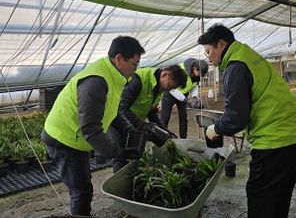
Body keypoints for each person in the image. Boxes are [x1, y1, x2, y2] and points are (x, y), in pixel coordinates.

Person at [198, 24, 296, 218]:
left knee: (260, 195)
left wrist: (214, 129)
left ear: (221, 44)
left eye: (209, 51)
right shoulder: (249, 55)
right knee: (280, 194)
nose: (208, 57)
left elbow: (236, 118)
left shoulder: (235, 66)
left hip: (277, 140)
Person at [41, 36, 145, 216]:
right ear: (119, 59)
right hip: (64, 138)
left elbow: (111, 111)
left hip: (76, 139)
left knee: (83, 183)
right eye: (134, 65)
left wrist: (129, 129)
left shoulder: (114, 74)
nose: (135, 70)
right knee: (81, 191)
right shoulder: (96, 82)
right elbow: (90, 129)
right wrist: (118, 152)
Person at [111, 64, 187, 173]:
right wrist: (142, 126)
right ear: (165, 74)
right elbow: (121, 108)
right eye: (170, 86)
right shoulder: (138, 80)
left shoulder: (160, 88)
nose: (168, 90)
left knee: (135, 155)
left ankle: (132, 183)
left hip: (133, 125)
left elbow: (151, 113)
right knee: (121, 158)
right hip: (118, 122)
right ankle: (118, 186)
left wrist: (165, 131)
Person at [160, 58, 208, 138]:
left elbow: (194, 85)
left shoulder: (197, 74)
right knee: (165, 118)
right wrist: (186, 100)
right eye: (200, 73)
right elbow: (172, 88)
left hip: (183, 95)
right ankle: (162, 138)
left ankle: (183, 139)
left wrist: (195, 97)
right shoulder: (181, 70)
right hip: (170, 92)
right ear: (194, 68)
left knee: (183, 118)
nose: (200, 75)